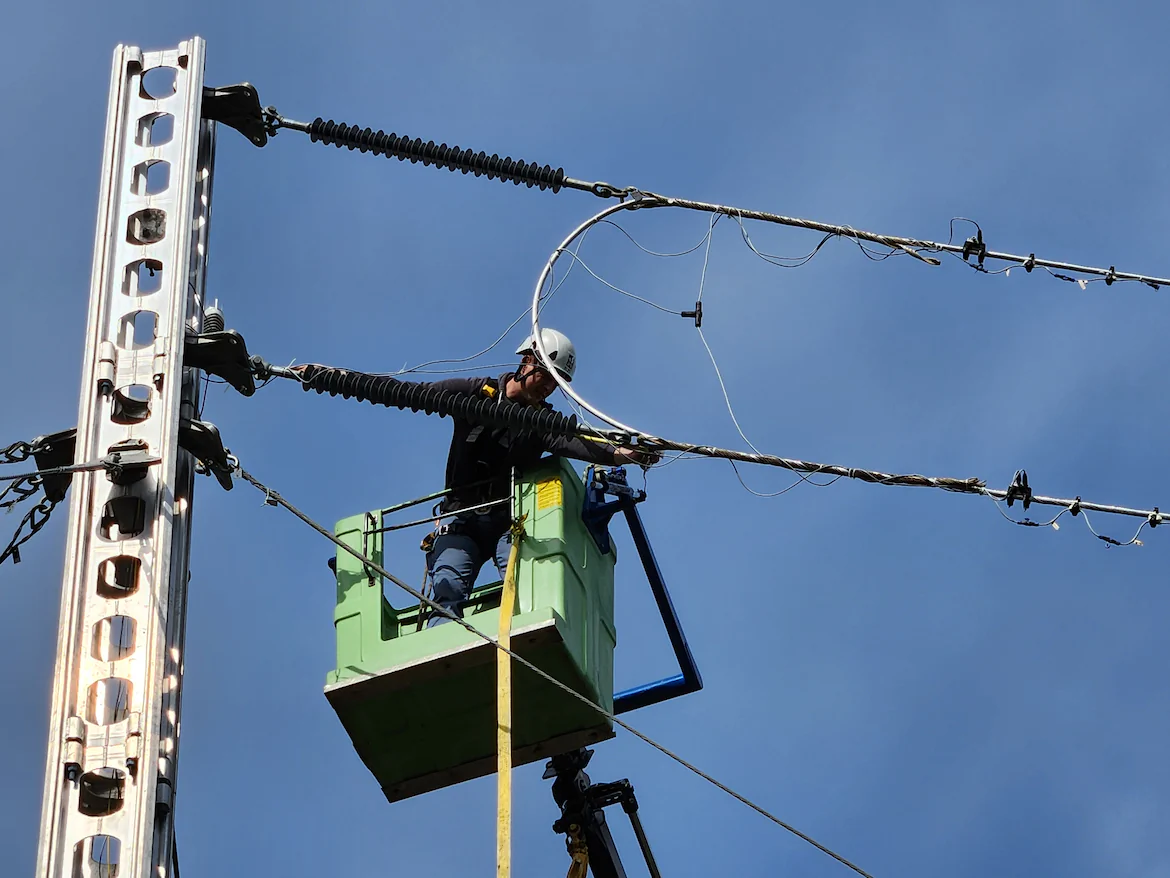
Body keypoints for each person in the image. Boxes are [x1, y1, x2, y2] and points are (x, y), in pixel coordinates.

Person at [413, 328, 656, 625]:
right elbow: (418, 392)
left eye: (558, 383)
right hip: (461, 519)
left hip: (507, 523)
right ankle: (445, 655)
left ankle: (517, 652)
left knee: (524, 592)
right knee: (447, 591)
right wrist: (351, 382)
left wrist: (628, 454)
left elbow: (582, 444)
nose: (550, 388)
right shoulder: (477, 394)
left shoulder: (542, 423)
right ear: (528, 361)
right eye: (548, 376)